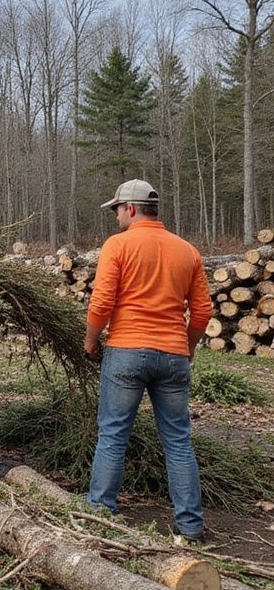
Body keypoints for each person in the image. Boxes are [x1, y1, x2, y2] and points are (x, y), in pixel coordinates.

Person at [83, 178, 213, 541]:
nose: (115, 218)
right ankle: (190, 527)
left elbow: (102, 302)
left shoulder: (119, 245)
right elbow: (202, 312)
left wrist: (91, 340)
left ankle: (99, 515)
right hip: (172, 355)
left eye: (116, 211)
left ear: (131, 209)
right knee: (178, 440)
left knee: (112, 435)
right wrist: (185, 348)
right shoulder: (187, 251)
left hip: (126, 352)